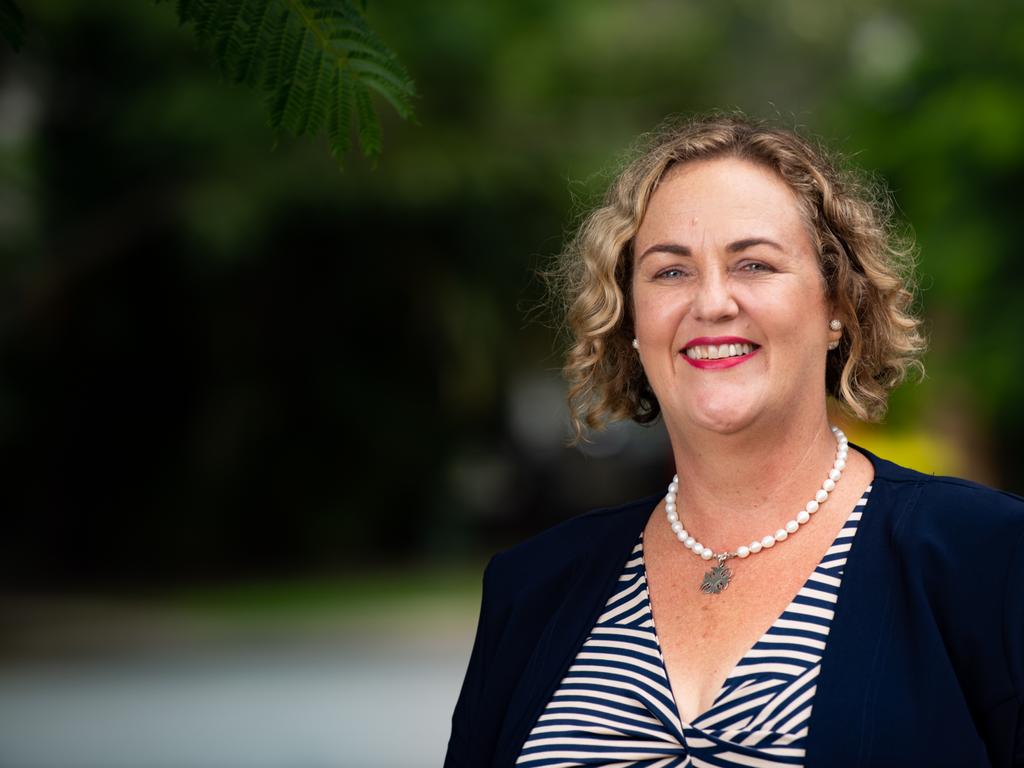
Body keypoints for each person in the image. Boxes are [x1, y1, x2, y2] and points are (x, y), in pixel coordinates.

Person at [443, 114, 1024, 767]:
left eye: (754, 264)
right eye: (670, 272)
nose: (712, 302)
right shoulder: (533, 588)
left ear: (837, 304)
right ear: (632, 318)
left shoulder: (990, 558)